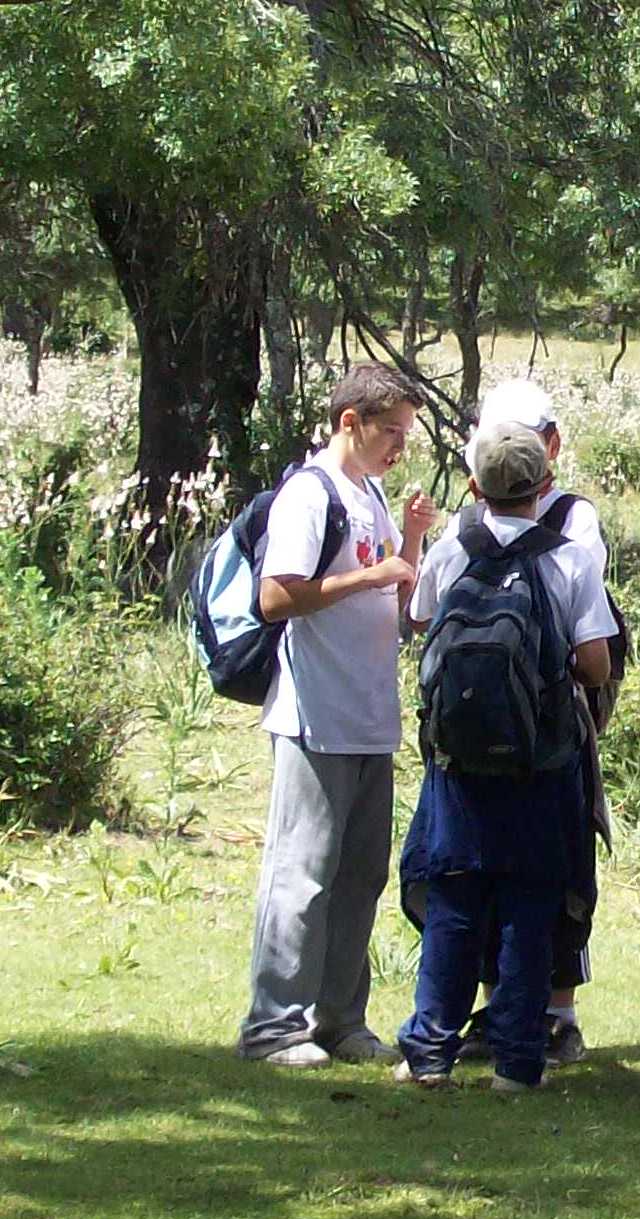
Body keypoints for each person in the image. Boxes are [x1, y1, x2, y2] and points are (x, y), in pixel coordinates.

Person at [393, 422, 618, 1090]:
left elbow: (421, 620)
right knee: (529, 905)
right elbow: (596, 662)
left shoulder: (451, 549)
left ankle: (429, 1052)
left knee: (455, 898)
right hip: (540, 761)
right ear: (544, 485)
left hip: (457, 762)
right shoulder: (569, 559)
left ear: (474, 486)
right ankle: (518, 1061)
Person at [237, 363, 438, 1068]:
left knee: (359, 876)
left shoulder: (369, 493)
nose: (400, 447)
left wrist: (410, 540)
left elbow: (392, 589)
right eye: (392, 432)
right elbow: (276, 597)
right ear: (350, 422)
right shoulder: (309, 492)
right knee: (303, 874)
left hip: (369, 715)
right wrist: (373, 573)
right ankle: (273, 1026)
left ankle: (340, 1021)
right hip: (315, 714)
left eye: (406, 434)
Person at [453, 379, 610, 1067]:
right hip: (488, 731)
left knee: (558, 867)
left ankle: (557, 1010)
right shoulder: (471, 527)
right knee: (496, 865)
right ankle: (503, 1006)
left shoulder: (574, 520)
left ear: (552, 445)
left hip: (552, 734)